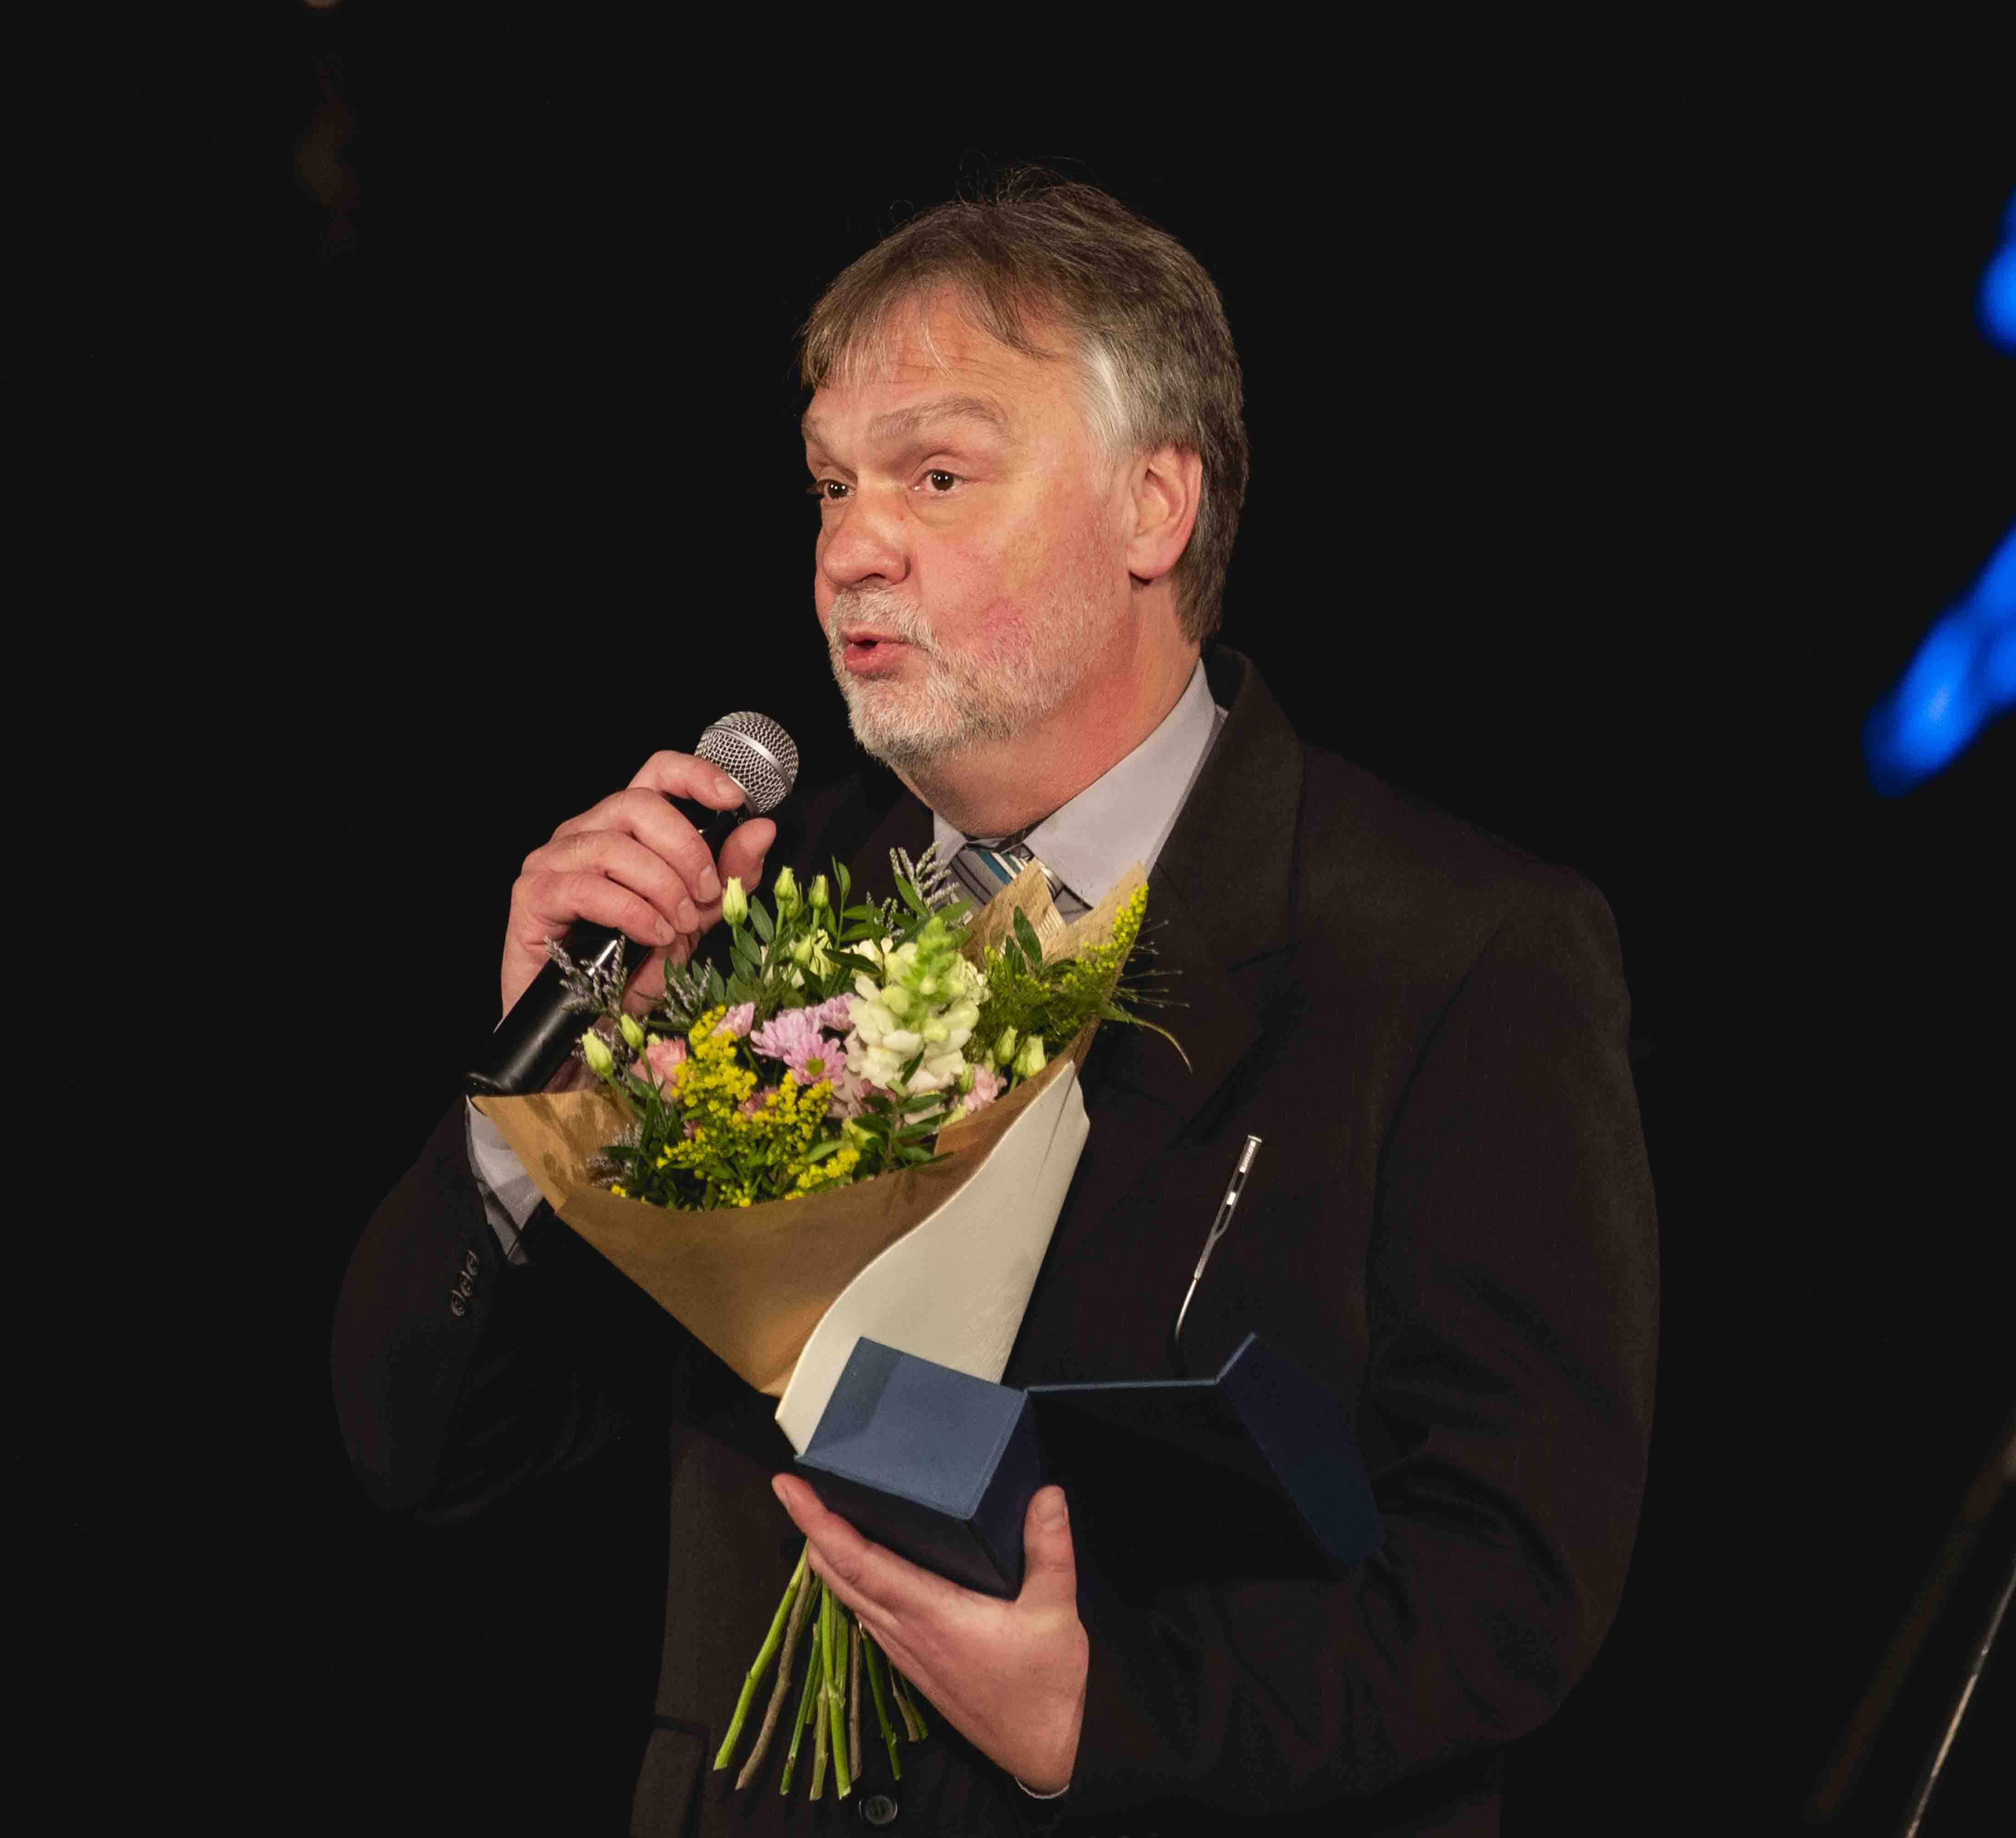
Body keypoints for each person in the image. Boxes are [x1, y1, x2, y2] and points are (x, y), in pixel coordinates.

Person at [331, 170, 1660, 1835]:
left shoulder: (1451, 947)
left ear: (1151, 508)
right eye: (830, 486)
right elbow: (432, 1454)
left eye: (936, 476)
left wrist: (1097, 1718)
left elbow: (1507, 1578)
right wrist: (541, 1107)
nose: (852, 549)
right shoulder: (746, 908)